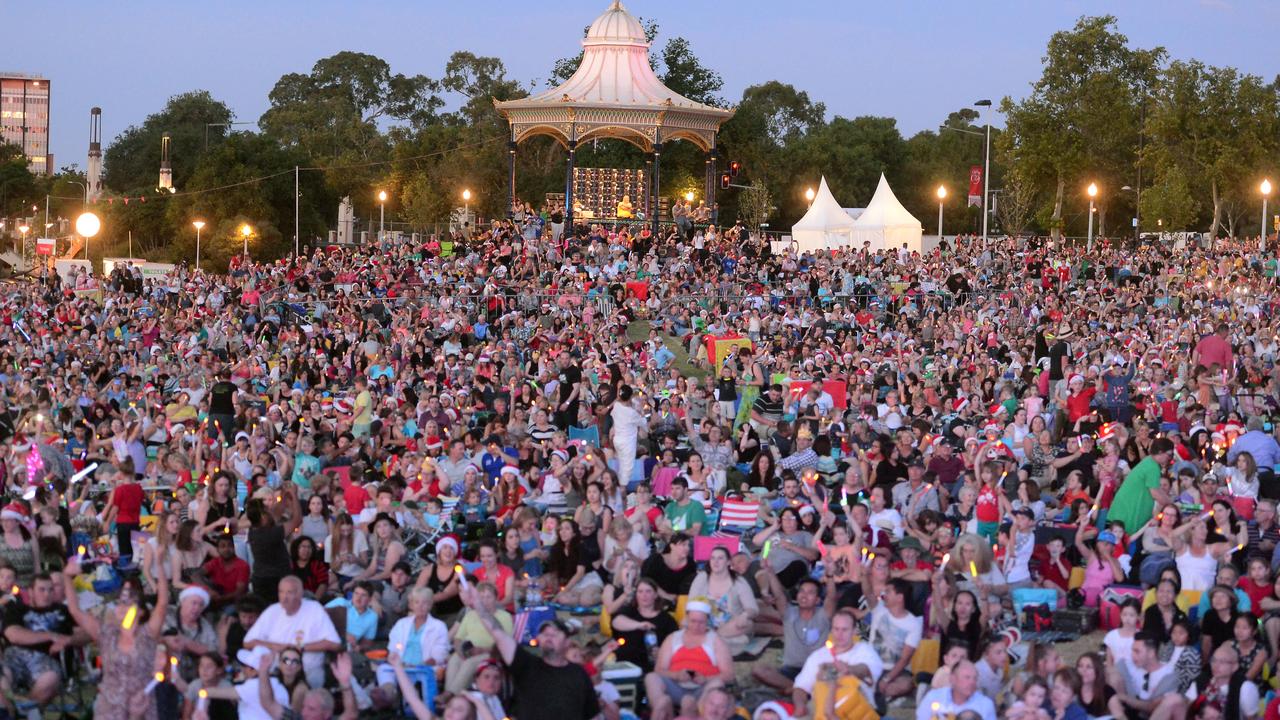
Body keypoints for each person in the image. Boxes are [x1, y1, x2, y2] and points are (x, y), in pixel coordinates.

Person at [458, 583, 599, 720]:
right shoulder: (527, 665)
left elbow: (593, 716)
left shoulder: (578, 674)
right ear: (538, 640)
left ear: (568, 642)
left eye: (555, 633)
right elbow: (498, 633)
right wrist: (478, 605)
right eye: (544, 634)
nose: (549, 637)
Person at [61, 557, 168, 720]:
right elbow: (75, 610)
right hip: (110, 709)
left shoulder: (147, 634)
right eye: (121, 603)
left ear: (141, 612)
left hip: (141, 706)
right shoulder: (107, 634)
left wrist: (159, 565)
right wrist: (67, 577)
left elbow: (162, 603)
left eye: (129, 603)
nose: (123, 607)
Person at [2, 573, 87, 712]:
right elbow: (14, 635)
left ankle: (23, 713)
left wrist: (69, 640)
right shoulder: (17, 609)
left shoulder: (62, 611)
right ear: (31, 592)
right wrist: (51, 636)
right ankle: (11, 711)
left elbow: (85, 634)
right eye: (42, 589)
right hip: (15, 656)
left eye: (50, 589)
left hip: (47, 660)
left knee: (50, 679)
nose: (47, 594)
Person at [242, 576, 342, 688]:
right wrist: (274, 646)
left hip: (306, 673)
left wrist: (300, 648)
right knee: (257, 653)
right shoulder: (273, 610)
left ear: (300, 594)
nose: (284, 597)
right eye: (281, 592)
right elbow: (248, 643)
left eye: (289, 593)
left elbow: (335, 644)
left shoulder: (314, 609)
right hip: (274, 671)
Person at [643, 600, 735, 720]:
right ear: (687, 619)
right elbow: (659, 669)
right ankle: (662, 705)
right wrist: (676, 675)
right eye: (693, 621)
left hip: (702, 689)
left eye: (701, 622)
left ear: (707, 621)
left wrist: (705, 678)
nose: (696, 626)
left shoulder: (716, 641)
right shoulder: (673, 638)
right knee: (651, 677)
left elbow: (729, 674)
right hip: (676, 685)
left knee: (717, 683)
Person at [790, 609, 882, 716]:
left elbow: (866, 670)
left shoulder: (864, 650)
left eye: (844, 629)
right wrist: (800, 705)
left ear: (854, 631)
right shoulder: (818, 656)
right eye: (836, 629)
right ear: (831, 630)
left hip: (857, 713)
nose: (839, 634)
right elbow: (801, 687)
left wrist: (849, 669)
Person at [1109, 632, 1183, 720]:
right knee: (1114, 677)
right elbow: (1109, 672)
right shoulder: (1128, 664)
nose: (1132, 655)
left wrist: (1125, 698)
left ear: (1151, 653)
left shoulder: (1169, 675)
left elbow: (1151, 707)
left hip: (1152, 717)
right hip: (1127, 713)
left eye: (1137, 651)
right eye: (1132, 650)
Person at [1108, 438, 1175, 534]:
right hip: (1127, 516)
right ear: (1160, 452)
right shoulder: (1152, 467)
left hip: (1121, 512)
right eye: (1169, 454)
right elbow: (1156, 493)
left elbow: (1157, 490)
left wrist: (1170, 501)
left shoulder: (1149, 461)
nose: (1170, 458)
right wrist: (1173, 505)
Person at [915, 661, 996, 720]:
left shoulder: (985, 705)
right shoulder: (934, 697)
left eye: (975, 678)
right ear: (952, 679)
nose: (972, 682)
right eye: (967, 677)